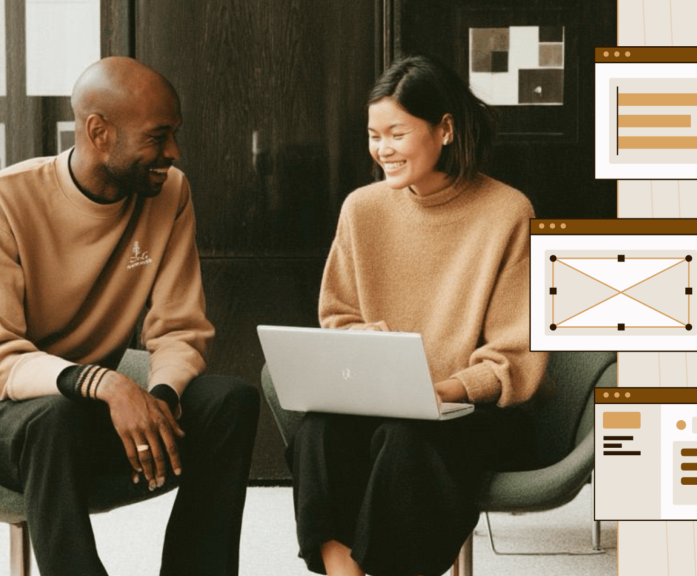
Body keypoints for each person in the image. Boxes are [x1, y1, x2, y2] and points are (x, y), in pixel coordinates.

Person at [286, 54, 548, 576]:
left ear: (445, 129)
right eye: (373, 134)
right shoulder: (362, 209)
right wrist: (371, 350)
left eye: (397, 133)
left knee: (408, 437)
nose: (382, 149)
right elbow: (337, 315)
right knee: (318, 431)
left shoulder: (508, 211)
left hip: (476, 412)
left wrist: (442, 391)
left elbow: (514, 355)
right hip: (382, 405)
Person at [0, 57, 260, 576]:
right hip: (17, 414)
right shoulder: (9, 199)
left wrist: (159, 398)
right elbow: (3, 358)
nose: (174, 153)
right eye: (158, 137)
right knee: (54, 418)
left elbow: (179, 328)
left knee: (231, 401)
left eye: (175, 135)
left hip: (91, 410)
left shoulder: (170, 193)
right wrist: (110, 386)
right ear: (99, 132)